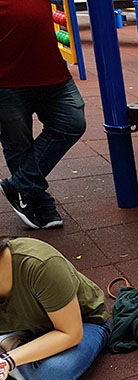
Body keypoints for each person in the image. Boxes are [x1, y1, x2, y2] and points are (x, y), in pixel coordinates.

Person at [0, 0, 87, 230]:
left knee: (72, 121)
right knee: (17, 142)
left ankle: (20, 185)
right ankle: (39, 203)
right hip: (6, 78)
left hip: (50, 70)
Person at [0, 237, 111, 380]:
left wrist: (8, 360)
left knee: (53, 372)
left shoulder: (40, 264)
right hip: (26, 325)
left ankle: (10, 344)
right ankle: (16, 349)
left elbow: (70, 334)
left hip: (83, 323)